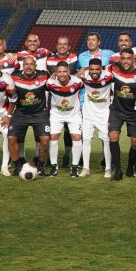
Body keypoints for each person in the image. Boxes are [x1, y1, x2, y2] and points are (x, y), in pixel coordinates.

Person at [107, 48, 136, 179]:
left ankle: (130, 166)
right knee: (113, 136)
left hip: (134, 112)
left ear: (133, 59)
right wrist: (84, 70)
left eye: (128, 59)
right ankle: (118, 170)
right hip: (117, 110)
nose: (125, 61)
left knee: (135, 142)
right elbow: (95, 67)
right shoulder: (113, 68)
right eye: (123, 58)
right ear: (120, 59)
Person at [7, 55, 51, 175]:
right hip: (21, 113)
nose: (28, 66)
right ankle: (17, 167)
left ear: (35, 66)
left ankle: (40, 167)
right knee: (11, 138)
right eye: (26, 64)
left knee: (45, 140)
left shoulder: (44, 75)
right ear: (23, 65)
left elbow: (56, 78)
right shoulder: (14, 76)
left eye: (31, 64)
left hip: (39, 114)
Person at [45, 61, 83, 177]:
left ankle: (74, 167)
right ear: (56, 73)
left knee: (76, 137)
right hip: (56, 114)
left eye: (64, 71)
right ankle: (53, 167)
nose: (62, 74)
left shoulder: (77, 82)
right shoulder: (50, 83)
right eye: (59, 72)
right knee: (53, 137)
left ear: (69, 72)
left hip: (74, 115)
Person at [46, 37, 79, 168]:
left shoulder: (74, 57)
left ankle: (67, 155)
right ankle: (50, 157)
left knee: (68, 131)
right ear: (56, 45)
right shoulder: (48, 58)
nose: (62, 46)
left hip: (70, 97)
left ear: (69, 46)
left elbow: (74, 72)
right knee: (53, 130)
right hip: (53, 96)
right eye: (60, 44)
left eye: (65, 44)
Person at [77, 58, 113, 176]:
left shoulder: (109, 76)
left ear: (101, 69)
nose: (94, 71)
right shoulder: (84, 75)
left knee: (106, 141)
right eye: (91, 69)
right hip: (88, 114)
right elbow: (71, 76)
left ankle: (108, 168)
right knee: (86, 140)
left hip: (104, 115)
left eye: (97, 69)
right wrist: (83, 69)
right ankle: (86, 168)